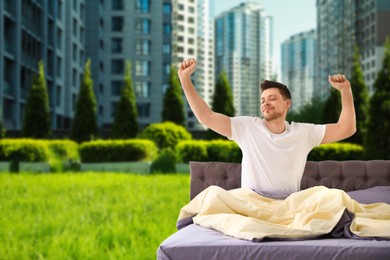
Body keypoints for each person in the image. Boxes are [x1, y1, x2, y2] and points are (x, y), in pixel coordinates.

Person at [178, 58, 356, 196]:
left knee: (334, 198)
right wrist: (185, 79)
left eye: (272, 99)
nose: (266, 103)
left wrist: (345, 90)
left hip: (288, 206)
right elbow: (206, 117)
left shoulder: (304, 132)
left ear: (287, 104)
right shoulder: (246, 127)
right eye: (262, 100)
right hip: (252, 204)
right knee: (212, 198)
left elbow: (346, 128)